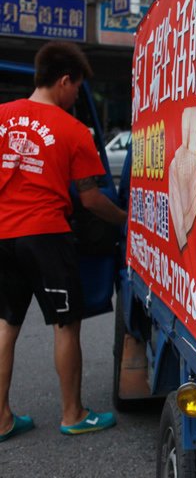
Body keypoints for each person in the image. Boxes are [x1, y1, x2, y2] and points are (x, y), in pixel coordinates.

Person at [0, 41, 128, 441]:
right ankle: (73, 414)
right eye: (76, 89)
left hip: (3, 235)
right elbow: (90, 198)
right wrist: (127, 220)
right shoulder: (72, 130)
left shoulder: (1, 117)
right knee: (66, 325)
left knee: (6, 325)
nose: (76, 97)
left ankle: (0, 419)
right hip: (47, 236)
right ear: (64, 80)